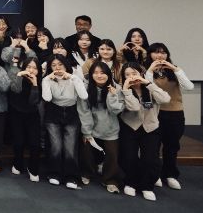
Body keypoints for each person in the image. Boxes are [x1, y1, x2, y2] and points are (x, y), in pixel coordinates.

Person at [145, 43, 194, 190]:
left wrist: (175, 69)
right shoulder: (146, 70)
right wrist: (150, 70)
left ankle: (170, 174)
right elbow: (147, 88)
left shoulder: (175, 70)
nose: (160, 55)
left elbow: (189, 86)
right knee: (153, 146)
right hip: (155, 113)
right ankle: (155, 174)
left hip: (175, 113)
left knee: (172, 146)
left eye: (163, 52)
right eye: (156, 52)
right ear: (150, 54)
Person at [119, 62, 171, 201]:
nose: (131, 77)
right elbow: (134, 107)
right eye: (127, 75)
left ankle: (147, 186)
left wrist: (148, 83)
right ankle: (130, 182)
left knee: (150, 159)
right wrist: (126, 90)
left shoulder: (150, 87)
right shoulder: (122, 90)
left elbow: (165, 99)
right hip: (130, 126)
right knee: (129, 157)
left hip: (150, 127)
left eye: (134, 73)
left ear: (141, 73)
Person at [41, 53, 88, 189]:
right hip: (53, 112)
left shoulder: (74, 78)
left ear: (65, 65)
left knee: (70, 147)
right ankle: (54, 174)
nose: (57, 68)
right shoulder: (47, 79)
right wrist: (46, 79)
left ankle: (71, 177)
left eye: (60, 64)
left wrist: (73, 78)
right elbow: (47, 98)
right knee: (56, 146)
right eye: (54, 65)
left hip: (71, 112)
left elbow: (84, 95)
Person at [78, 61, 124, 193]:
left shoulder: (117, 88)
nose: (99, 76)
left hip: (111, 128)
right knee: (87, 152)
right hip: (91, 127)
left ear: (108, 74)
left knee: (112, 155)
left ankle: (109, 179)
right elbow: (84, 111)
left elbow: (116, 111)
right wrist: (87, 132)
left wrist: (112, 95)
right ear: (91, 74)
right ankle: (87, 173)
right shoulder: (85, 88)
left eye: (103, 73)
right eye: (96, 73)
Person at [4, 49, 42, 182]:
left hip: (32, 114)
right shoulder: (18, 76)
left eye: (34, 68)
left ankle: (33, 168)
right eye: (28, 67)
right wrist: (19, 75)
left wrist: (35, 84)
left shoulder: (40, 81)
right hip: (16, 112)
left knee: (34, 143)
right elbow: (15, 89)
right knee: (18, 141)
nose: (31, 70)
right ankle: (17, 163)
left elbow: (34, 101)